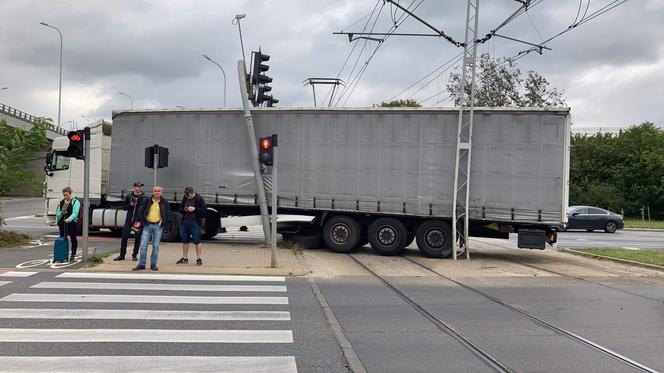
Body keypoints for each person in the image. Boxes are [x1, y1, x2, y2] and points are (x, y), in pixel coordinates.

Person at [132, 186, 171, 271]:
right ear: (153, 192)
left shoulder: (164, 202)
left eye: (159, 191)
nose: (157, 192)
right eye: (155, 191)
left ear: (161, 192)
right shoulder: (147, 200)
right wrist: (142, 221)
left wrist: (164, 222)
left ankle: (153, 264)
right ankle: (142, 264)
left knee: (156, 246)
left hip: (158, 226)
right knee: (143, 245)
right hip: (147, 225)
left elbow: (168, 214)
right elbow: (141, 210)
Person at [114, 181, 148, 261]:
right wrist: (130, 205)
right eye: (138, 186)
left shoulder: (144, 197)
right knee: (124, 237)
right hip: (129, 220)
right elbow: (124, 207)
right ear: (134, 187)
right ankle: (122, 255)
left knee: (137, 237)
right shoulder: (129, 196)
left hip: (138, 221)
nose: (139, 188)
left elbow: (146, 209)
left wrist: (143, 219)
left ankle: (134, 255)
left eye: (140, 187)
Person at [176, 186, 206, 266]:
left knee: (197, 241)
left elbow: (204, 211)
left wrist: (195, 209)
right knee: (185, 241)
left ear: (193, 193)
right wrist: (185, 209)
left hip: (195, 222)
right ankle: (185, 258)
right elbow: (180, 209)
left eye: (190, 196)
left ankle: (198, 258)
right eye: (187, 196)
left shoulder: (199, 198)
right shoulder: (185, 197)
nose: (188, 197)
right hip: (185, 222)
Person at [55, 187, 80, 262]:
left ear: (70, 194)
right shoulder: (61, 202)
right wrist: (61, 214)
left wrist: (69, 219)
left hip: (71, 223)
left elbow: (75, 213)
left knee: (73, 238)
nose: (65, 197)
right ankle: (62, 254)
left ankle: (73, 254)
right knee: (63, 238)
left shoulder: (75, 202)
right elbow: (58, 213)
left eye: (67, 195)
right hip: (62, 223)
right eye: (64, 195)